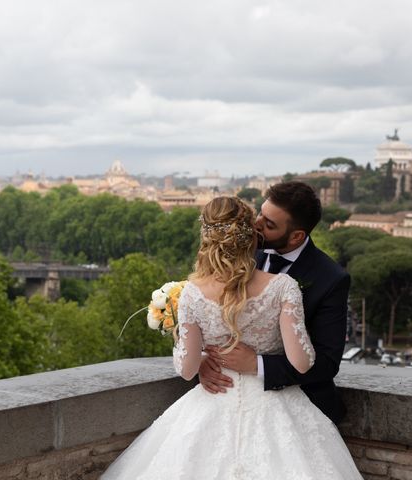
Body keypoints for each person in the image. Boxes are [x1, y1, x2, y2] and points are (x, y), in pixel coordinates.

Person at [102, 196, 361, 479]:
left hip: (213, 401)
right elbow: (302, 362)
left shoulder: (192, 292)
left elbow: (186, 369)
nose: (261, 225)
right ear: (250, 235)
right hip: (277, 409)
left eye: (268, 222)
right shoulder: (284, 288)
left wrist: (200, 356)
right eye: (258, 219)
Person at [201, 181, 349, 424]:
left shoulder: (331, 279)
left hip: (298, 412)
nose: (256, 224)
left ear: (297, 236)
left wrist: (256, 364)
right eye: (260, 212)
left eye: (269, 224)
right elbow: (206, 312)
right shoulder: (239, 253)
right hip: (228, 402)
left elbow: (327, 363)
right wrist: (202, 360)